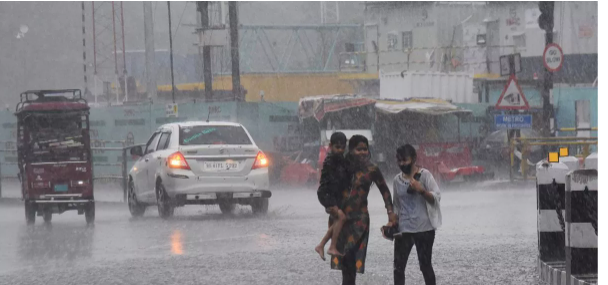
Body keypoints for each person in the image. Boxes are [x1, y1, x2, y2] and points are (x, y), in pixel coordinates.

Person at [331, 135, 397, 285]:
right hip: (341, 219)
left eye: (364, 149)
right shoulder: (342, 166)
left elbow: (385, 191)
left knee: (350, 256)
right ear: (351, 150)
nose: (362, 152)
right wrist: (329, 205)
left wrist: (390, 213)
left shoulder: (372, 169)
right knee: (344, 260)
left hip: (359, 221)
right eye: (358, 149)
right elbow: (327, 186)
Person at [391, 144, 442, 285]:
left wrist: (422, 191)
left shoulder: (425, 175)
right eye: (399, 161)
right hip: (404, 230)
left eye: (405, 160)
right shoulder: (397, 180)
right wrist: (392, 222)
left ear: (414, 159)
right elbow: (396, 204)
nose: (402, 164)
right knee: (398, 268)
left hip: (424, 229)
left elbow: (437, 197)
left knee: (425, 266)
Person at [316, 132, 349, 260]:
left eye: (342, 147)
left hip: (331, 195)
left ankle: (321, 245)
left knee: (338, 221)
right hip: (326, 194)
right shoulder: (331, 160)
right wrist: (331, 203)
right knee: (341, 217)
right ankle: (332, 247)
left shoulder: (340, 159)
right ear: (330, 146)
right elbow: (333, 183)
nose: (340, 150)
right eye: (337, 147)